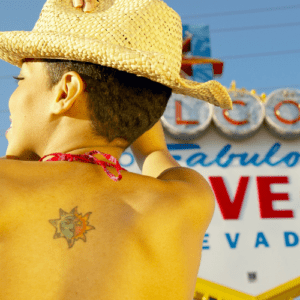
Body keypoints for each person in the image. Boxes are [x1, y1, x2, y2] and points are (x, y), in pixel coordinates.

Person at [0, 0, 232, 299]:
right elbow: (153, 152)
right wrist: (132, 108)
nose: (12, 99)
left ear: (66, 91)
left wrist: (14, 156)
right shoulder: (186, 199)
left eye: (21, 80)